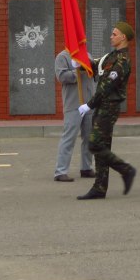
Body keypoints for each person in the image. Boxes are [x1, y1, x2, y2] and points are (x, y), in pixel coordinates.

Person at [77, 22, 137, 200]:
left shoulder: (123, 60)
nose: (111, 36)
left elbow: (107, 86)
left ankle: (126, 170)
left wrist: (89, 104)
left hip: (108, 106)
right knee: (102, 146)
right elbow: (96, 66)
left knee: (95, 144)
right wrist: (80, 62)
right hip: (103, 105)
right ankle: (100, 187)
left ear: (123, 37)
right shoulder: (111, 56)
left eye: (114, 34)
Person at [53, 48, 96, 182]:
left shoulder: (87, 54)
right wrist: (77, 71)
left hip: (89, 103)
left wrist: (95, 67)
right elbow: (61, 76)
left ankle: (86, 168)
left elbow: (94, 77)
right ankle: (60, 171)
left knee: (89, 137)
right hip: (73, 103)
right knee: (69, 137)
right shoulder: (62, 57)